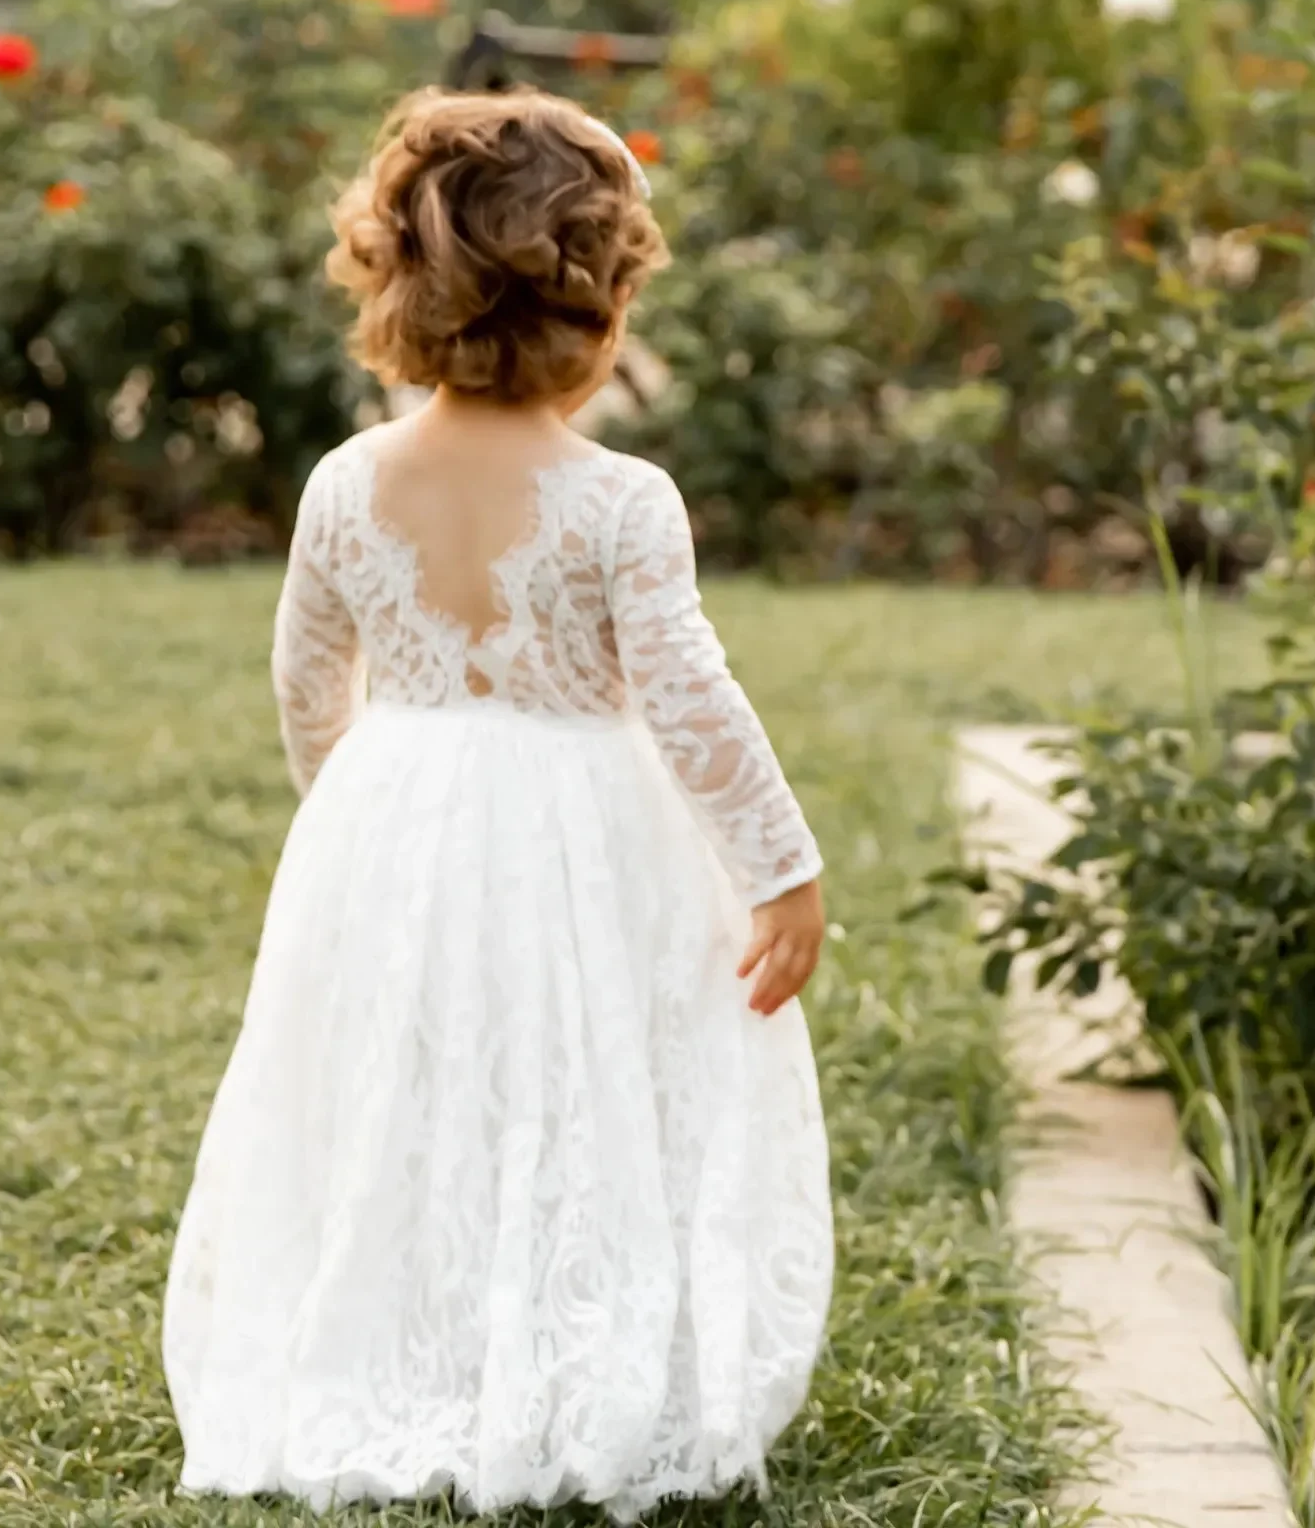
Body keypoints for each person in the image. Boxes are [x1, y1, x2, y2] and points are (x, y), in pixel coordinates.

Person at [162, 86, 833, 1523]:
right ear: (600, 308)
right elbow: (689, 698)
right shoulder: (620, 501)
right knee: (574, 1076)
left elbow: (304, 680)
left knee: (414, 1089)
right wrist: (782, 867)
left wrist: (354, 820)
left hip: (391, 798)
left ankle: (417, 1327)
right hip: (586, 820)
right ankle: (560, 1336)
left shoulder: (347, 483)